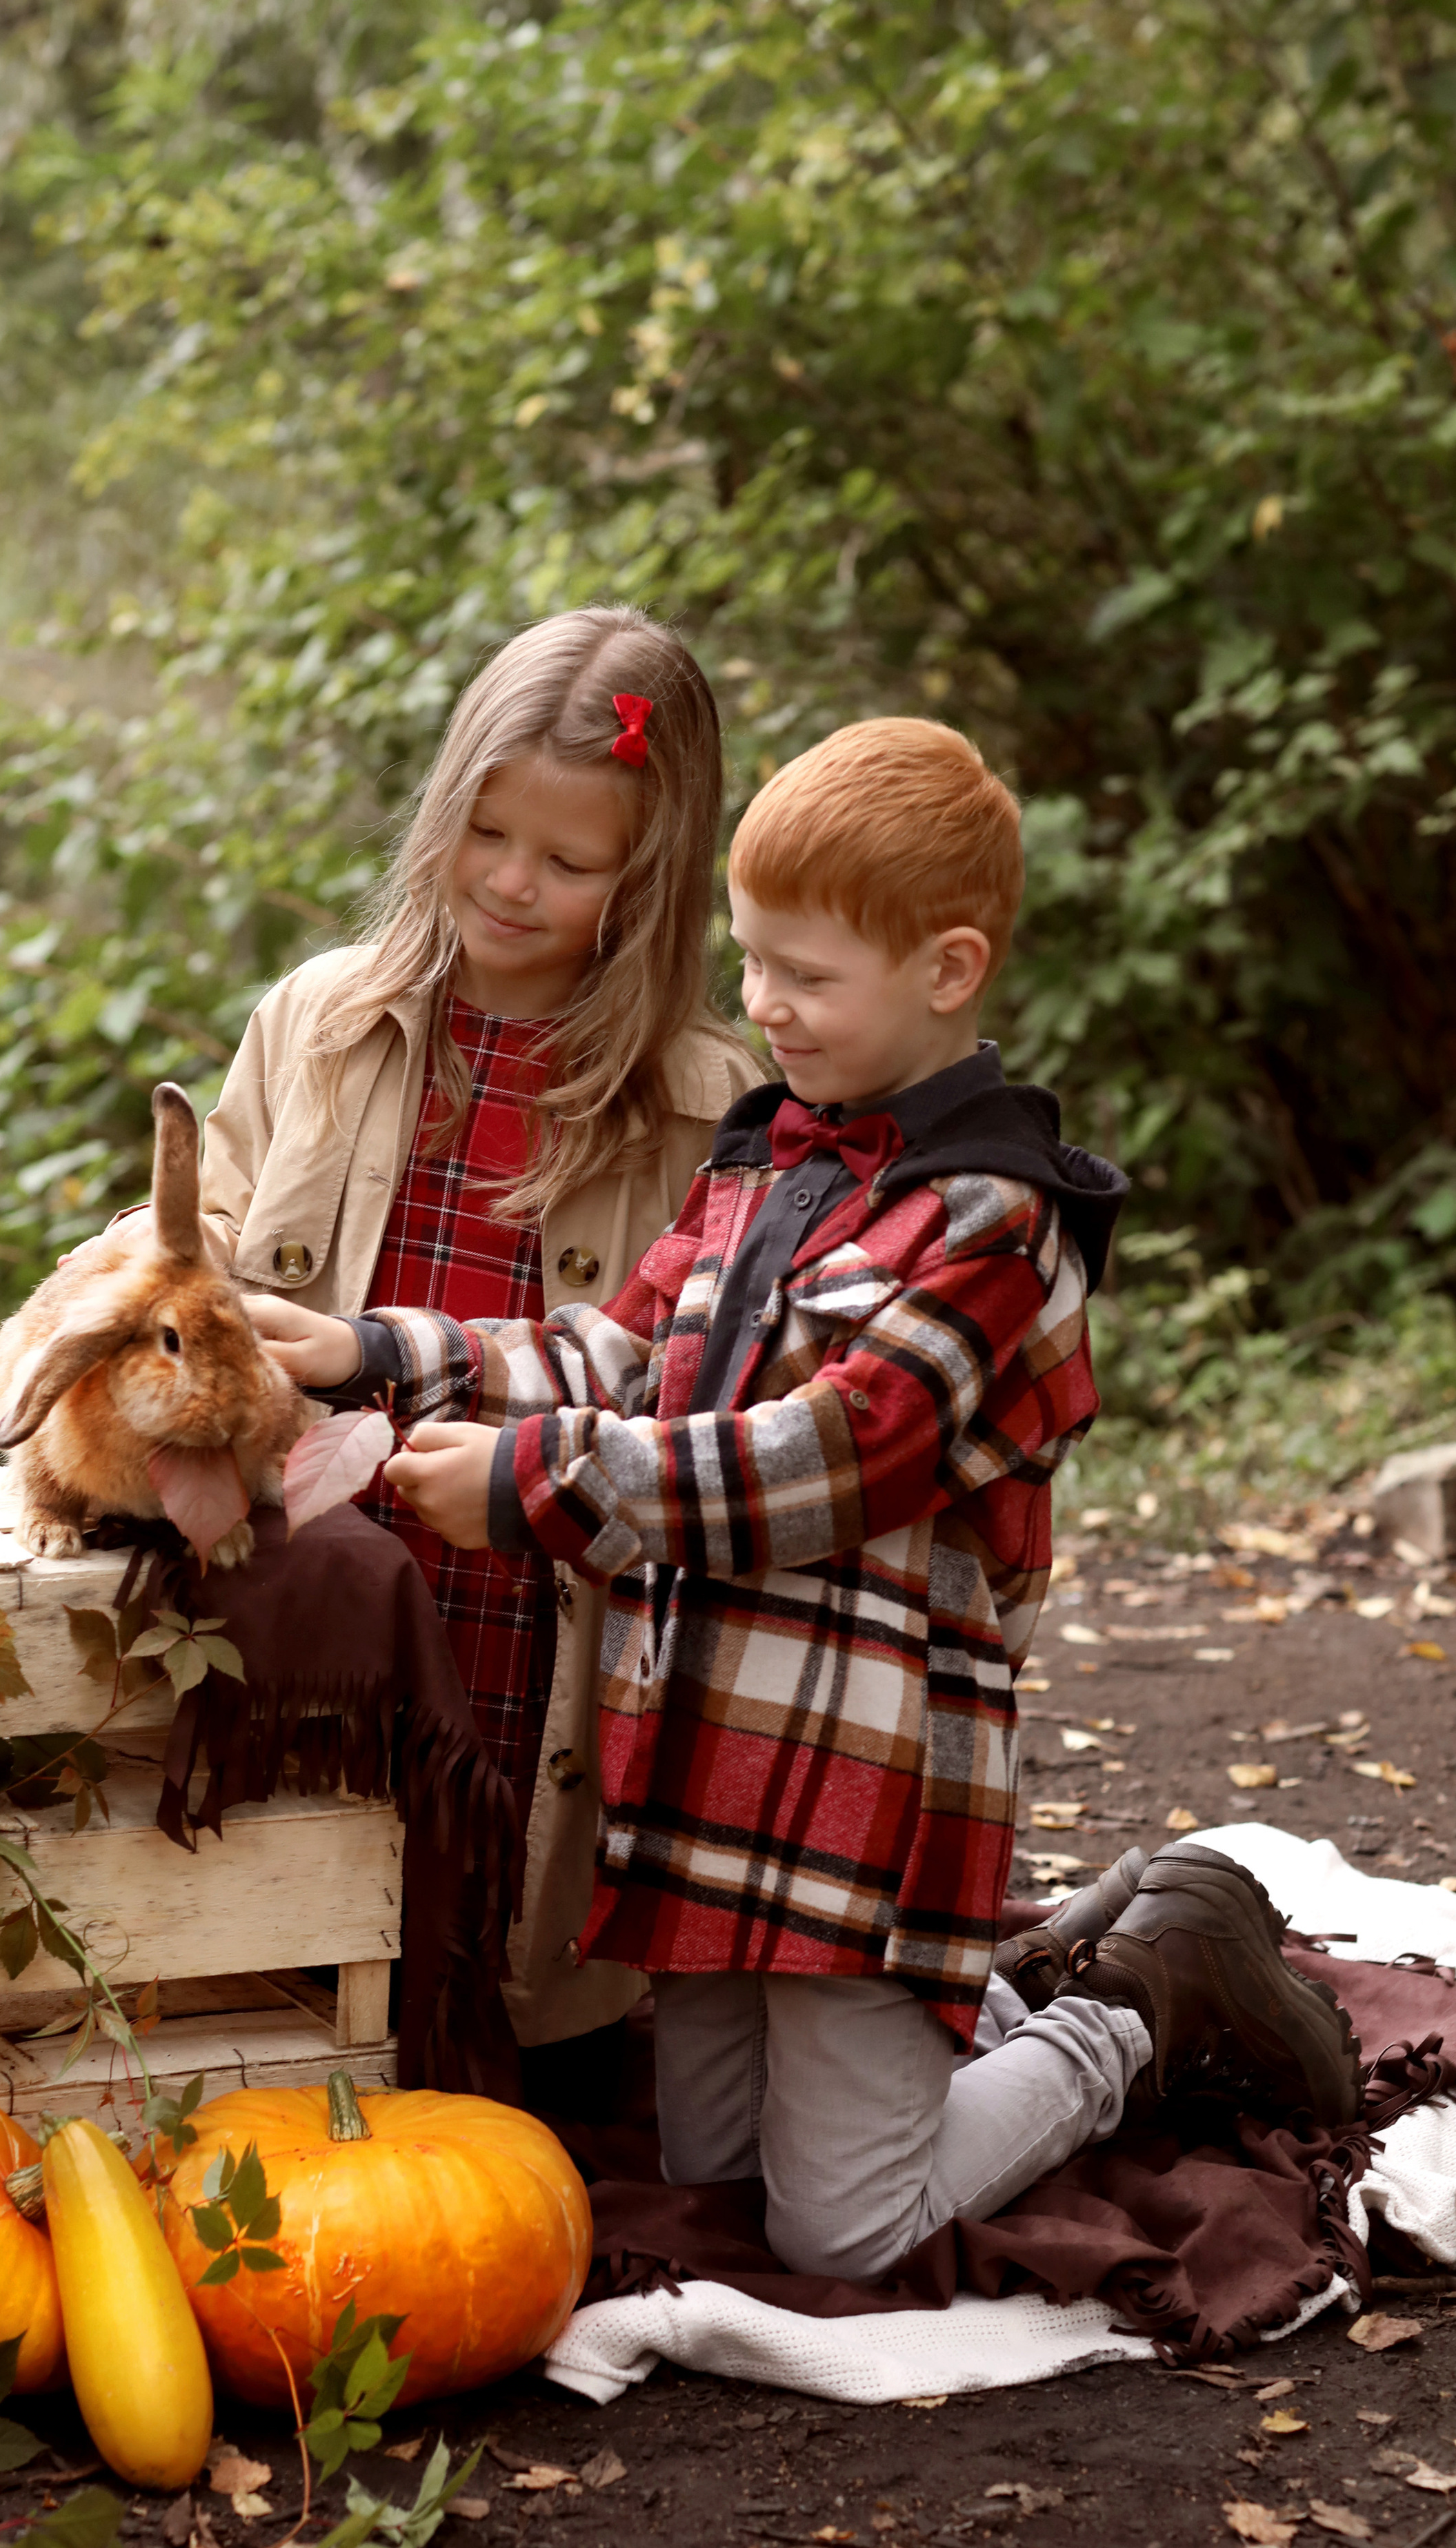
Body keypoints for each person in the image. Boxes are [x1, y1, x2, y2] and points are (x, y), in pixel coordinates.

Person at [259, 715, 1364, 2282]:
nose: (762, 1006)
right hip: (703, 1770)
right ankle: (1009, 1992)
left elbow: (822, 1457)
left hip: (856, 1783)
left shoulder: (995, 1228)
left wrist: (530, 1485)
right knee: (706, 2166)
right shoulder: (762, 1169)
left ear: (948, 969)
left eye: (805, 976)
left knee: (846, 2226)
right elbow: (613, 1348)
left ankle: (1137, 2001)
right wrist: (376, 1347)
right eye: (748, 960)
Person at [195, 606, 761, 2064]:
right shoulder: (320, 1024)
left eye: (569, 864)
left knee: (499, 1986)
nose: (510, 885)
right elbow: (191, 1254)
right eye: (485, 835)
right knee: (299, 1946)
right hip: (320, 1613)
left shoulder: (709, 1111)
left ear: (648, 877)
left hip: (541, 1626)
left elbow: (686, 1399)